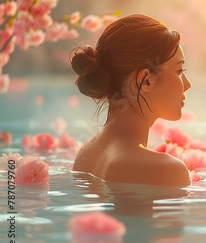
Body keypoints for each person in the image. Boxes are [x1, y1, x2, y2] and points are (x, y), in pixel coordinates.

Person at [71, 14, 191, 186]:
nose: (187, 85)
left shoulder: (85, 153)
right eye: (179, 71)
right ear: (146, 80)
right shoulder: (165, 169)